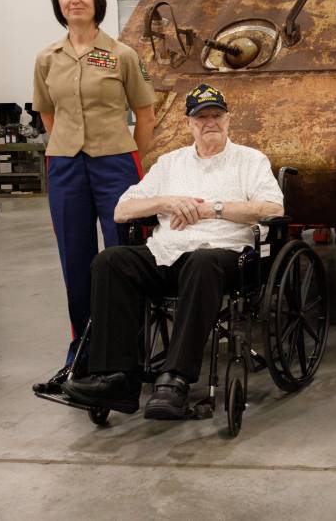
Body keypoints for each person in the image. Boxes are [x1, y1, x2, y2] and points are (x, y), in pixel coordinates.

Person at [63, 84, 285, 419]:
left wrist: (213, 209)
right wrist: (169, 202)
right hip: (167, 252)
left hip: (224, 253)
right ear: (189, 124)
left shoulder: (250, 160)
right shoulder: (170, 163)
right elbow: (121, 210)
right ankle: (116, 377)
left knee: (203, 261)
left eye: (216, 115)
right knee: (111, 261)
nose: (210, 122)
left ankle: (175, 378)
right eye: (201, 117)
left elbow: (274, 208)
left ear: (228, 119)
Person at [32, 0, 156, 394]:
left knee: (122, 258)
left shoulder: (121, 54)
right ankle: (80, 358)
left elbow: (145, 113)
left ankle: (127, 356)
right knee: (76, 261)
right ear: (59, 4)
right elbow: (47, 113)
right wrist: (67, 143)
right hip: (66, 166)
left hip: (116, 164)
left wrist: (137, 160)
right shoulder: (48, 58)